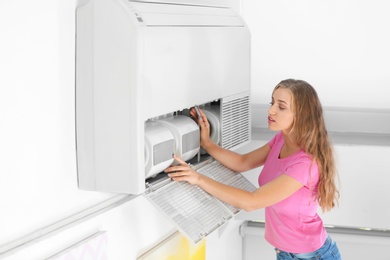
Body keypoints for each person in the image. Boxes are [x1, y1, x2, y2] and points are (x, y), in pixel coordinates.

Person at [165, 79, 341, 259]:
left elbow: (252, 201)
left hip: (314, 256)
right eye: (272, 102)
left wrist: (198, 179)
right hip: (287, 253)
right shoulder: (281, 140)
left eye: (281, 107)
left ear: (301, 114)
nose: (271, 110)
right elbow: (243, 162)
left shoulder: (305, 164)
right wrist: (208, 144)